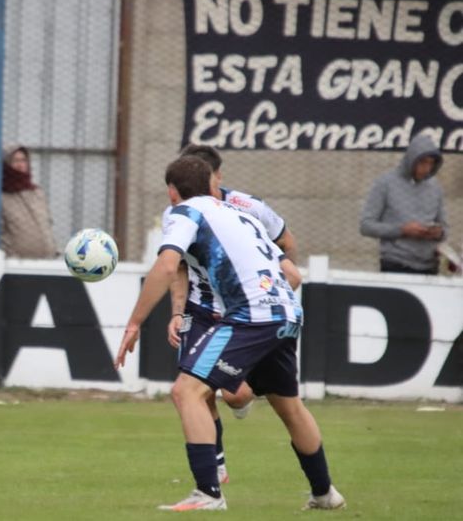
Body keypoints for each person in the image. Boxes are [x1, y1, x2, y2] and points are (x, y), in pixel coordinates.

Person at [115, 156, 345, 511]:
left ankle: (208, 494)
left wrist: (134, 323)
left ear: (172, 192)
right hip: (286, 311)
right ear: (211, 184)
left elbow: (166, 266)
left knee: (186, 392)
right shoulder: (241, 214)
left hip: (250, 316)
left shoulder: (183, 213)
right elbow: (293, 274)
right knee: (289, 407)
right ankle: (325, 493)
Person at [165, 144, 299, 483]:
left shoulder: (247, 208)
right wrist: (177, 312)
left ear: (217, 177)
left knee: (235, 393)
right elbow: (178, 266)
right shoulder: (184, 212)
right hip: (202, 308)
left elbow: (286, 245)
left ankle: (240, 401)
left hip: (249, 312)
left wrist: (272, 294)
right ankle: (216, 466)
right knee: (195, 388)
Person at [360, 133, 447, 275]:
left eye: (431, 163)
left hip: (429, 267)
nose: (426, 168)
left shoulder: (436, 187)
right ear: (411, 159)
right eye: (423, 162)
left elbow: (444, 228)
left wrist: (437, 232)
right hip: (396, 264)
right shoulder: (385, 183)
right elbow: (366, 226)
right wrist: (402, 230)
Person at [0, 144, 57, 258]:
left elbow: (46, 226)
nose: (20, 165)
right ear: (5, 164)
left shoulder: (36, 192)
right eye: (15, 161)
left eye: (23, 160)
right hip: (14, 266)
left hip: (46, 263)